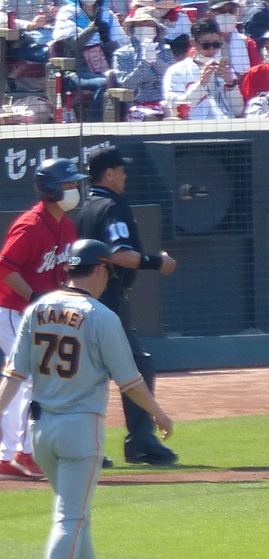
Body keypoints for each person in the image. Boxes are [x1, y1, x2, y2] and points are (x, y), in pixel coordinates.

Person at [0, 239, 173, 559]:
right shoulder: (101, 316)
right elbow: (130, 381)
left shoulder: (37, 308)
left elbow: (15, 371)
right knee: (70, 519)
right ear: (99, 270)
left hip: (41, 432)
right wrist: (159, 414)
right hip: (80, 432)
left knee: (73, 514)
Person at [73, 146, 179, 466]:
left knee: (88, 372)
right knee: (136, 366)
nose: (125, 174)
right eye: (121, 169)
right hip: (107, 300)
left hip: (84, 297)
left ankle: (84, 443)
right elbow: (118, 254)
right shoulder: (112, 205)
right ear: (108, 173)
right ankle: (141, 440)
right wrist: (156, 262)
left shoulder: (86, 206)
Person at [0, 157, 84, 481]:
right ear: (53, 189)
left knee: (25, 381)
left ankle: (8, 459)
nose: (75, 189)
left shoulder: (66, 225)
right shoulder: (30, 226)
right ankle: (24, 454)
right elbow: (4, 268)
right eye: (70, 184)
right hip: (13, 314)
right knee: (34, 378)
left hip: (34, 316)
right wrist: (35, 300)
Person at [162, 16, 242, 118]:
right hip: (195, 129)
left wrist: (231, 85)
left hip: (227, 127)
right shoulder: (176, 71)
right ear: (193, 43)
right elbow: (174, 106)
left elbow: (238, 111)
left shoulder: (225, 70)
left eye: (217, 44)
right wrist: (201, 85)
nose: (212, 49)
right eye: (206, 45)